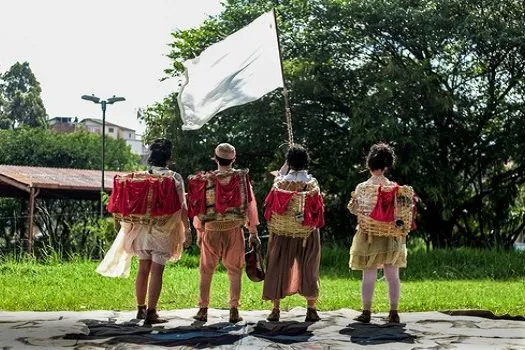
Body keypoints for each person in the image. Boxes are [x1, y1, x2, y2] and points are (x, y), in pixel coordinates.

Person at [97, 138, 191, 325]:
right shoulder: (174, 178)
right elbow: (182, 207)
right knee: (157, 271)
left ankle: (140, 309)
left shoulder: (139, 176)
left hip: (139, 230)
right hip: (163, 230)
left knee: (142, 269)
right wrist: (187, 230)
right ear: (169, 157)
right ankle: (152, 312)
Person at [187, 143, 260, 323]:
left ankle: (203, 309)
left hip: (210, 230)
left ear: (215, 158)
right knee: (235, 270)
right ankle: (234, 310)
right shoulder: (241, 179)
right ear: (233, 159)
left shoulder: (206, 180)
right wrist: (252, 232)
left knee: (206, 270)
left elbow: (199, 207)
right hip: (234, 229)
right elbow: (251, 206)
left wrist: (199, 232)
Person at [348, 143, 414, 324]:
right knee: (393, 275)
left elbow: (355, 210)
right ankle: (394, 312)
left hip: (369, 236)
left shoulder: (362, 187)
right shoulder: (395, 189)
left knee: (369, 275)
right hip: (390, 235)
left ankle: (366, 312)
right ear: (387, 166)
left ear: (369, 165)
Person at [262, 144, 325, 322]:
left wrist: (286, 164)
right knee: (309, 266)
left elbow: (270, 203)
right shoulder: (312, 183)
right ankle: (311, 309)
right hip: (306, 233)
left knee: (277, 266)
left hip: (283, 232)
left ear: (289, 162)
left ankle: (275, 310)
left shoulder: (280, 183)